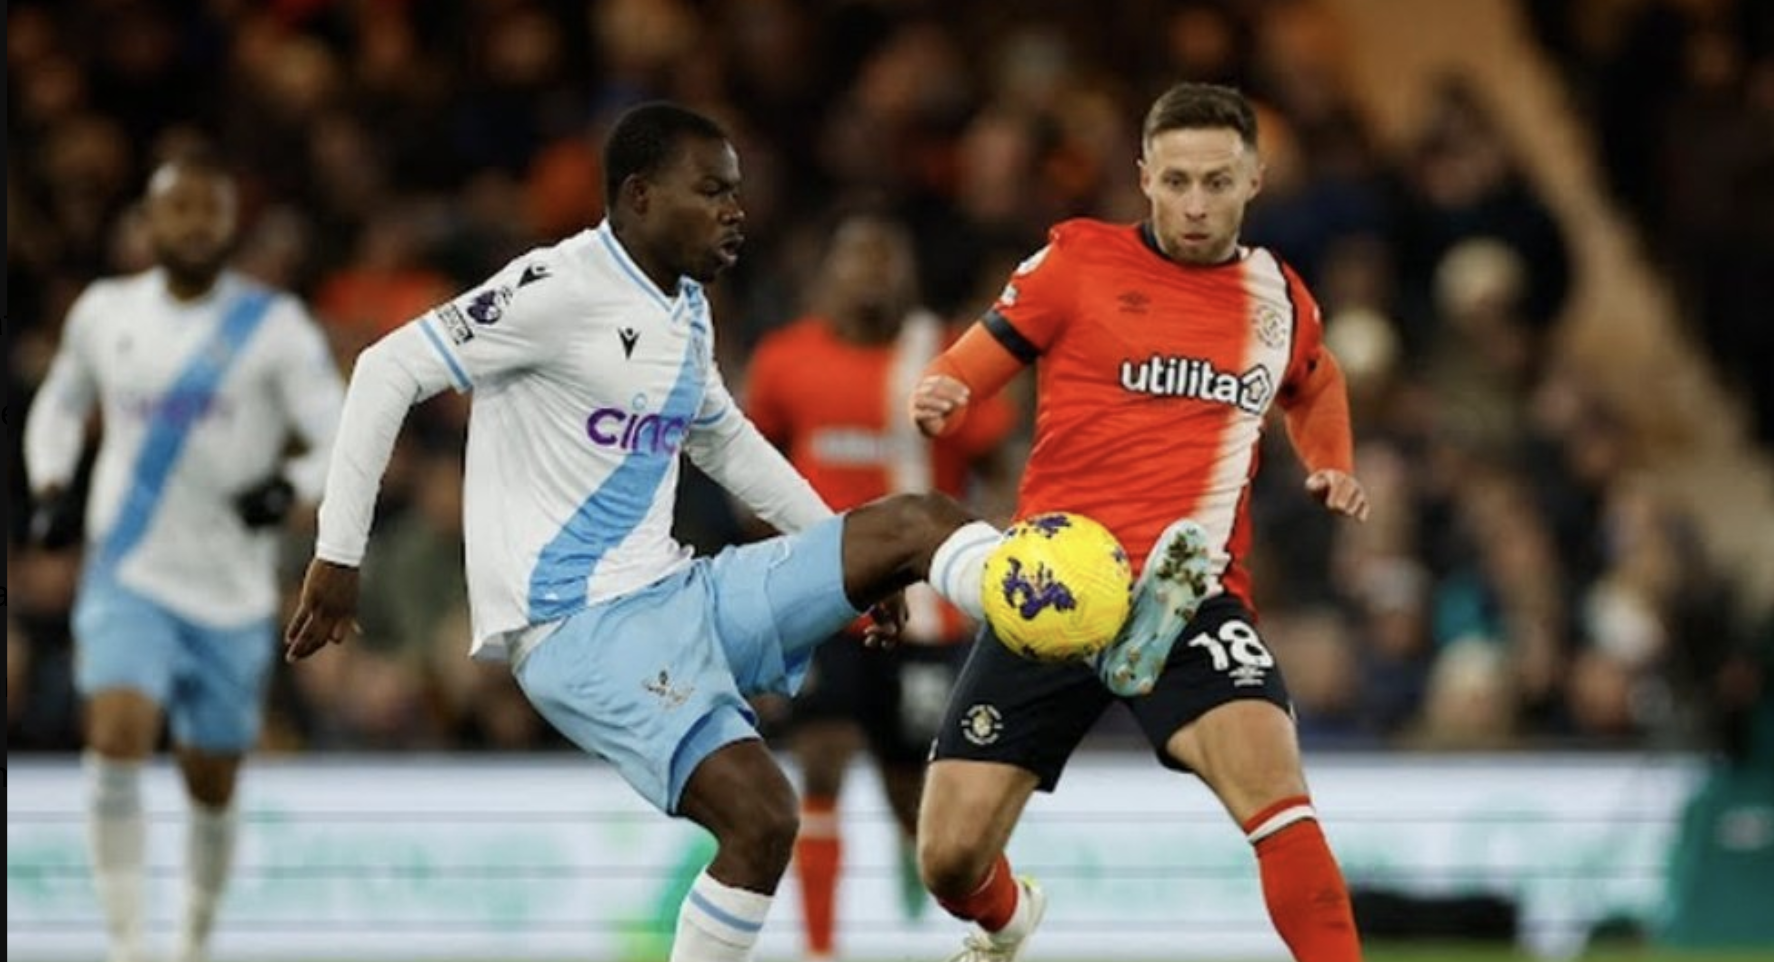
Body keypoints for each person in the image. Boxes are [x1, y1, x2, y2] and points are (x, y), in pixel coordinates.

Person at [281, 102, 1006, 962]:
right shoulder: (555, 288)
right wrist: (339, 552)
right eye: (712, 192)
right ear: (639, 198)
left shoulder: (687, 308)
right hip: (577, 629)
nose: (736, 211)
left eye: (736, 194)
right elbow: (384, 367)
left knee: (915, 527)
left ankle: (1053, 610)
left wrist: (857, 571)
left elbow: (726, 440)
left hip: (678, 592)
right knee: (763, 816)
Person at [907, 81, 1371, 962]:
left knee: (1279, 795)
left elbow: (1316, 381)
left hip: (1185, 596)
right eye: (1177, 181)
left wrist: (1332, 463)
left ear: (1256, 181)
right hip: (1052, 586)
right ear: (1144, 178)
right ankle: (1007, 921)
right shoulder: (1079, 261)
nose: (1196, 206)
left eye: (1218, 183)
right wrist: (951, 385)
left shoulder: (1279, 297)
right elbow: (990, 344)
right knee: (949, 858)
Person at [22, 152, 345, 962]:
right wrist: (52, 482)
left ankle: (193, 941)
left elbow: (341, 430)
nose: (196, 224)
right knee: (118, 732)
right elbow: (58, 406)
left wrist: (289, 484)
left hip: (230, 589)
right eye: (180, 210)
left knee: (212, 779)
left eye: (210, 210)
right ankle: (130, 947)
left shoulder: (274, 327)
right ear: (149, 222)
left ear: (230, 224)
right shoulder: (104, 312)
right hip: (128, 571)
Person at [745, 213, 1017, 961]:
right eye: (857, 260)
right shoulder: (783, 360)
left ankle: (977, 911)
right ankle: (822, 951)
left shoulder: (944, 359)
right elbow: (748, 460)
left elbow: (1001, 468)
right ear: (827, 274)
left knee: (916, 799)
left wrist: (991, 547)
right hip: (822, 604)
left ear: (907, 275)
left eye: (885, 261)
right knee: (822, 757)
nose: (872, 276)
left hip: (929, 617)